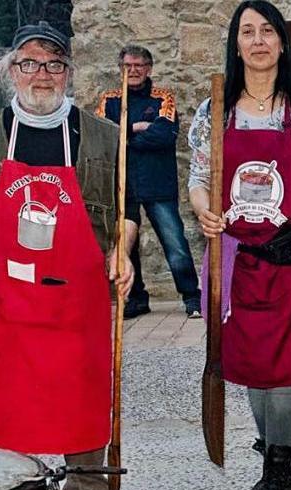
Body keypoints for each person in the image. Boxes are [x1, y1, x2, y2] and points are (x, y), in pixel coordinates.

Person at [0, 21, 137, 490]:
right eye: (28, 63)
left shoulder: (103, 136)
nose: (41, 74)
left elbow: (127, 212)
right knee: (5, 408)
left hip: (77, 299)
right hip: (3, 301)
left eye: (53, 64)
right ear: (9, 71)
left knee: (82, 401)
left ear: (69, 73)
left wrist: (122, 252)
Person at [190, 0, 291, 490]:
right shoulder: (216, 109)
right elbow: (198, 177)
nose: (258, 41)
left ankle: (280, 468)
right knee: (253, 366)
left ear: (281, 42)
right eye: (247, 32)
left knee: (285, 370)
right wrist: (206, 212)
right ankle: (270, 464)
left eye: (267, 32)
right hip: (237, 259)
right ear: (236, 44)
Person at [97, 45, 202, 319]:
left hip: (158, 182)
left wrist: (125, 136)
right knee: (126, 245)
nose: (133, 71)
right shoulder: (109, 100)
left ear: (149, 68)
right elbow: (104, 139)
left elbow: (165, 135)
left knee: (174, 242)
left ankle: (192, 297)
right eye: (127, 66)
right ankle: (135, 298)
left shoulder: (162, 98)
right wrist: (136, 128)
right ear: (120, 68)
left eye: (139, 65)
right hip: (122, 184)